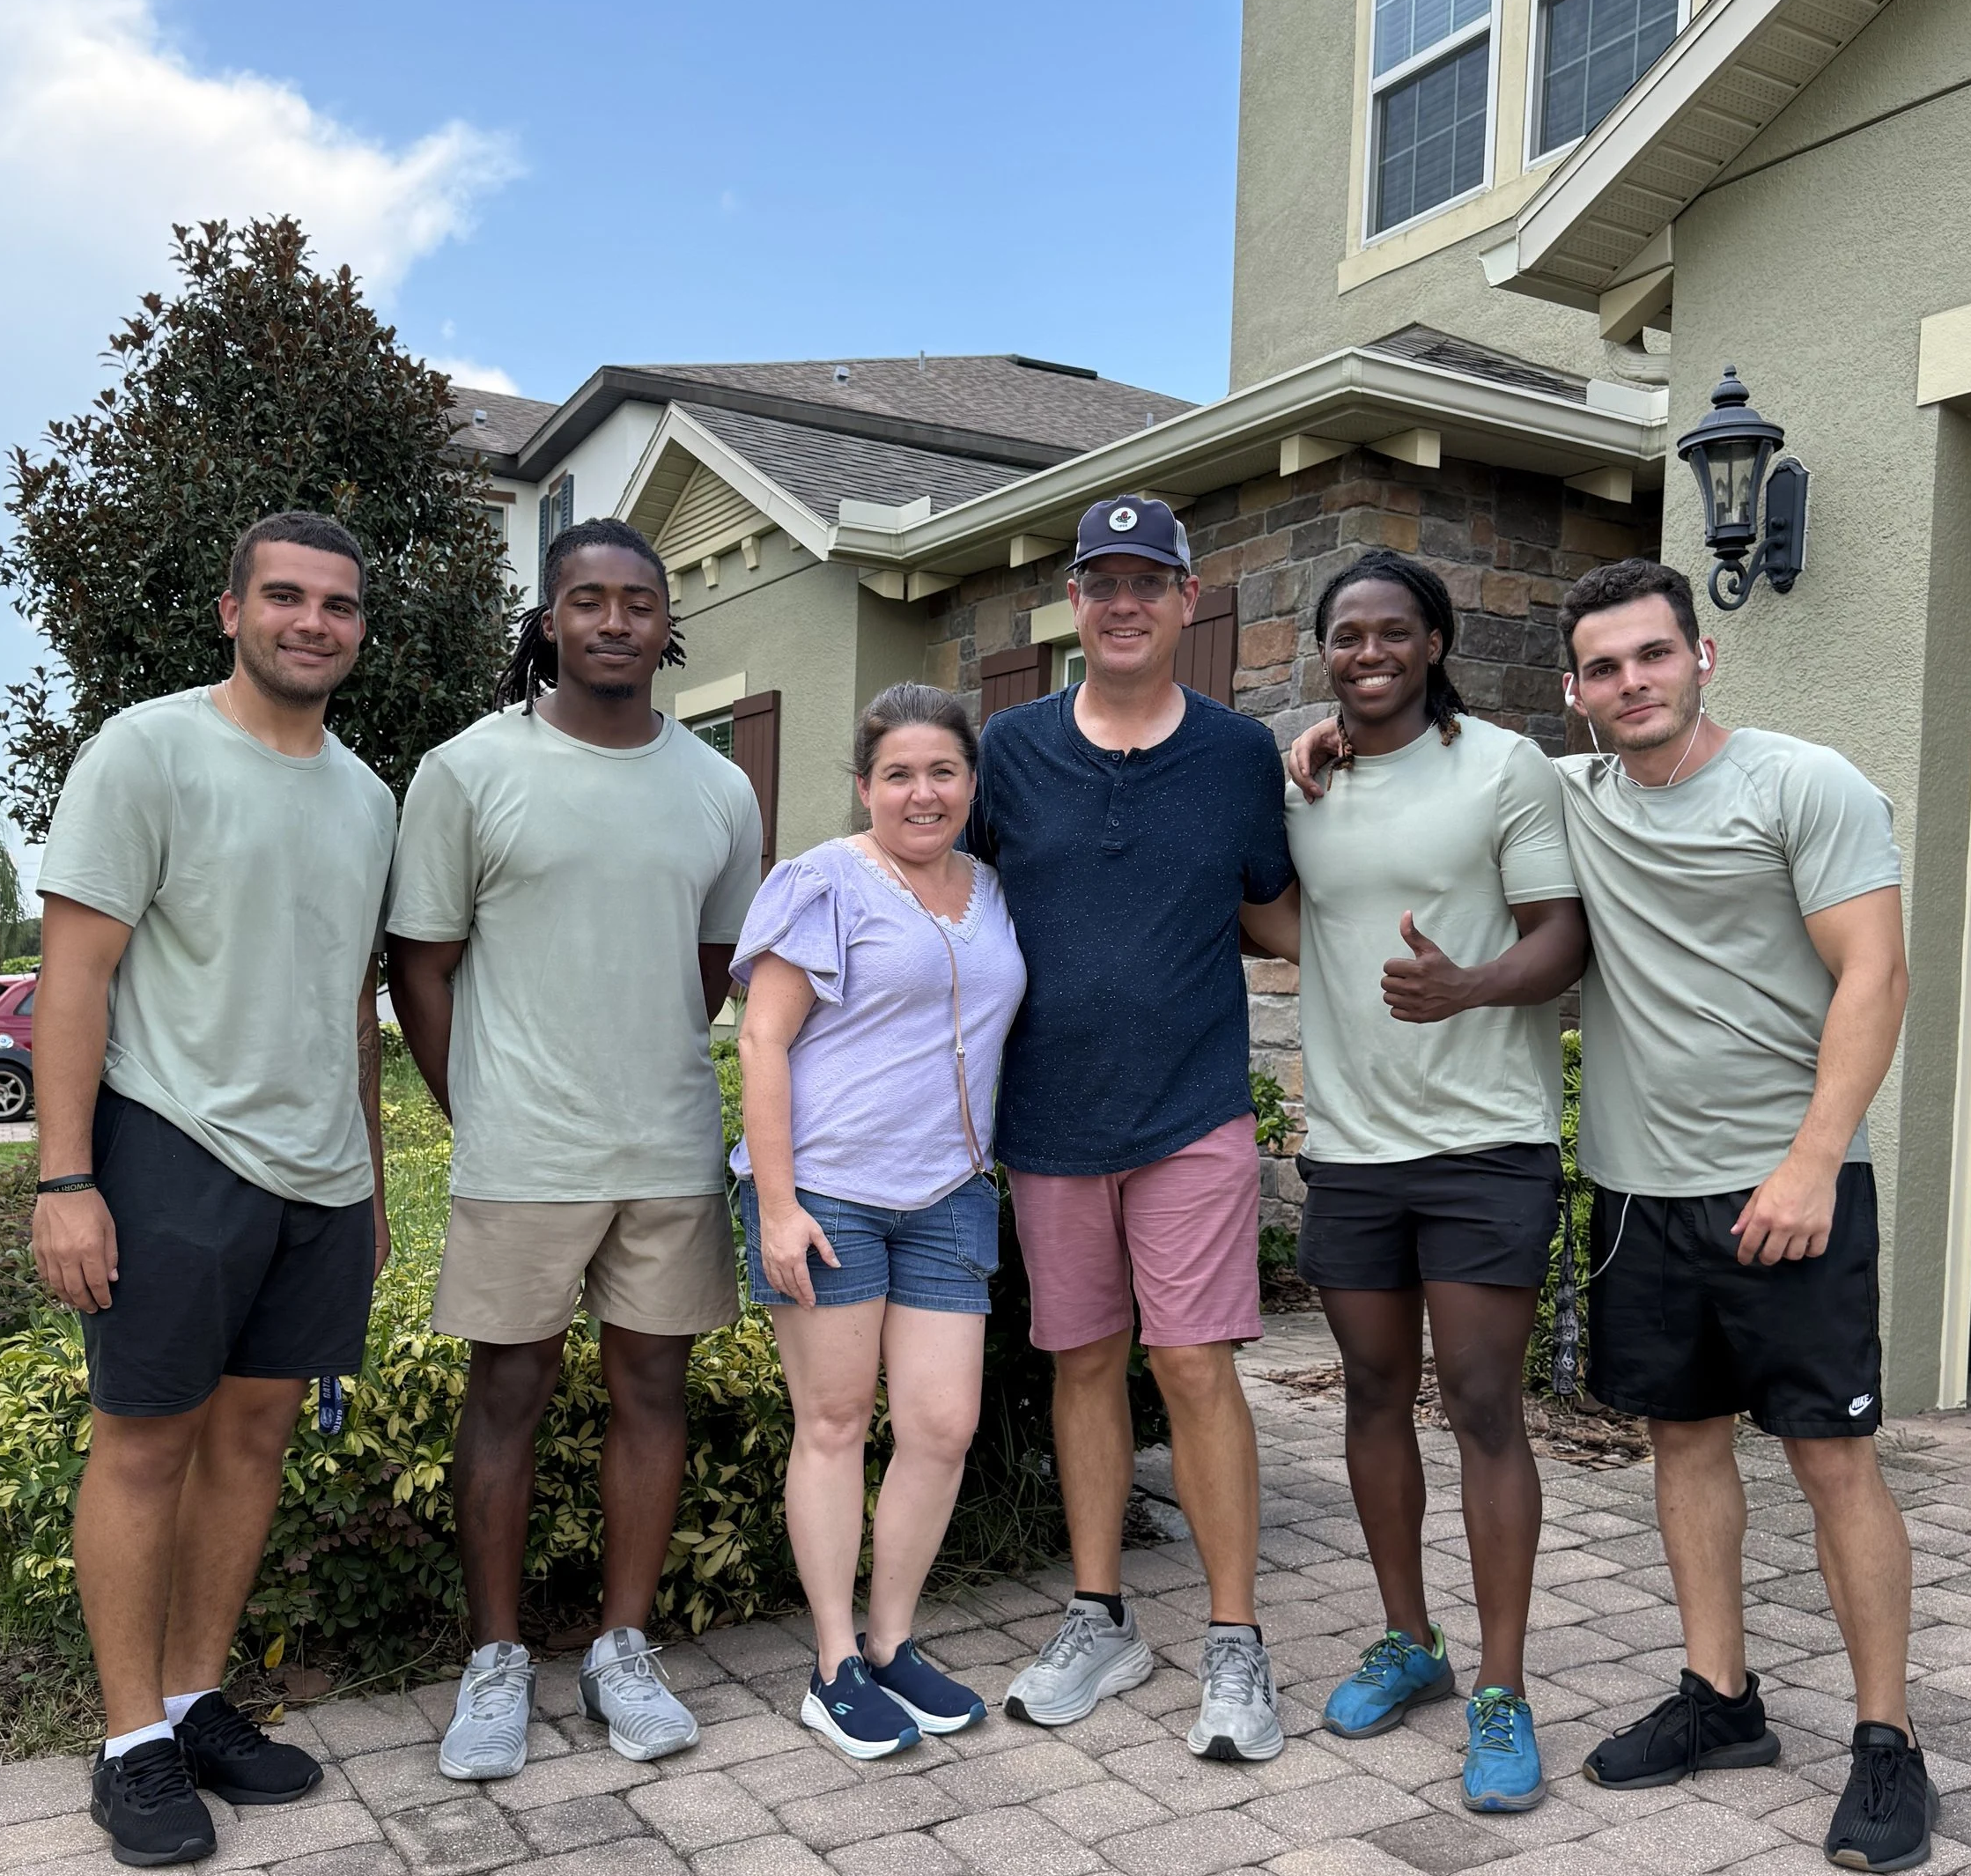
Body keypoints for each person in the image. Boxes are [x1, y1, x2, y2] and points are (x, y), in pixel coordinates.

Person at [1293, 554, 1923, 1866]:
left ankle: (1886, 1739)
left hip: (1787, 1183)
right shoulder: (1570, 789)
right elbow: (1433, 772)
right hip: (1637, 1185)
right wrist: (1323, 733)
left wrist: (1813, 1159)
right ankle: (1720, 1699)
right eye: (1604, 667)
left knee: (1830, 1458)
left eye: (1653, 655)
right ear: (1575, 694)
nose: (1631, 683)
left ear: (1704, 657)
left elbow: (1875, 975)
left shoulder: (1805, 785)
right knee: (1682, 1446)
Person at [31, 511, 397, 1868]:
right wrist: (66, 1177)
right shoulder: (149, 748)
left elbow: (354, 1004)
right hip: (170, 1147)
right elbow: (76, 973)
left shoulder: (370, 797)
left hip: (317, 1175)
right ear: (230, 609)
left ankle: (191, 1701)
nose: (315, 623)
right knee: (144, 1442)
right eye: (287, 597)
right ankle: (129, 1742)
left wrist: (363, 1178)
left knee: (252, 1444)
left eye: (339, 605)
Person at [387, 518, 763, 1782]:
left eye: (637, 602)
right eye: (586, 601)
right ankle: (495, 1661)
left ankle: (622, 1646)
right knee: (509, 1392)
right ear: (548, 621)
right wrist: (473, 1107)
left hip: (664, 1143)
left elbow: (709, 970)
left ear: (668, 625)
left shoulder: (718, 787)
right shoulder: (468, 769)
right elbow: (419, 964)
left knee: (656, 1390)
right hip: (523, 1153)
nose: (613, 621)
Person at [1248, 550, 1586, 1814]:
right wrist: (1298, 752)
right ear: (1324, 651)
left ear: (1436, 642)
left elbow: (1562, 935)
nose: (1370, 651)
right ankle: (1413, 1642)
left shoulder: (1505, 768)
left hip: (1485, 1139)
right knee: (1375, 1393)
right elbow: (1268, 910)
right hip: (1351, 1146)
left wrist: (1469, 986)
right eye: (1347, 635)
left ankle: (1503, 1686)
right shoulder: (1308, 785)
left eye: (1395, 631)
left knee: (1486, 1405)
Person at [968, 493, 1296, 1761]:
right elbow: (950, 884)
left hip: (1192, 1112)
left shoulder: (1237, 755)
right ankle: (1099, 1616)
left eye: (1144, 582)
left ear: (1185, 601)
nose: (1120, 602)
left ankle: (1234, 1642)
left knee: (1195, 1365)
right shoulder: (1010, 749)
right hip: (1046, 1119)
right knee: (1085, 1363)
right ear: (1073, 603)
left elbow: (1276, 911)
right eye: (1098, 581)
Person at [733, 683, 1027, 1757]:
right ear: (865, 786)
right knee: (835, 1423)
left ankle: (895, 1644)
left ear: (969, 785)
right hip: (831, 1193)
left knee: (941, 1427)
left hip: (950, 1192)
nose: (922, 791)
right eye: (898, 773)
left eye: (942, 771)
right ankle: (831, 1663)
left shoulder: (991, 891)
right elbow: (762, 1042)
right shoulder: (822, 882)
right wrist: (776, 1206)